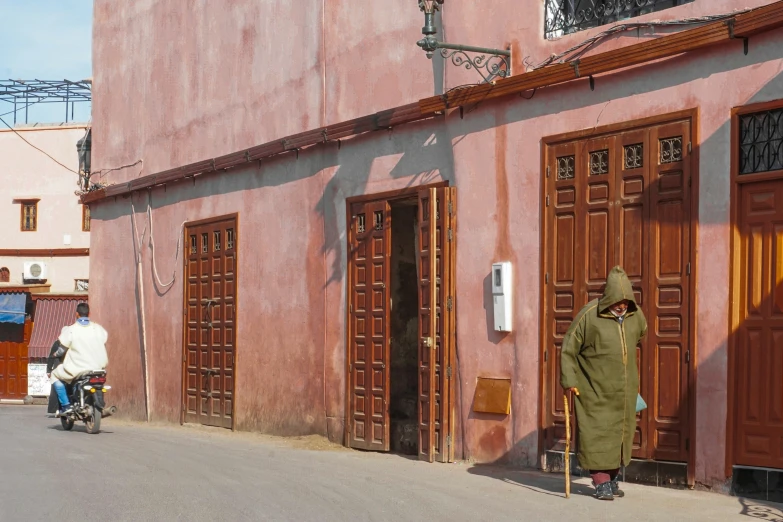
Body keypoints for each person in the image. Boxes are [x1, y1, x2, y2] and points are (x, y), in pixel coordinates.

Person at [560, 266, 647, 501]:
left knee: (620, 433)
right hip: (594, 389)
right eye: (617, 301)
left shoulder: (635, 315)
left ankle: (612, 477)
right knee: (597, 433)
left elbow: (641, 334)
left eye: (626, 301)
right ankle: (600, 481)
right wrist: (569, 380)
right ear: (608, 298)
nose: (622, 306)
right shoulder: (589, 316)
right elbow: (569, 349)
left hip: (624, 391)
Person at [51, 302, 109, 416]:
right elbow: (104, 341)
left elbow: (62, 350)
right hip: (98, 367)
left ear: (76, 314)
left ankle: (66, 405)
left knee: (54, 374)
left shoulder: (71, 329)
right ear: (89, 314)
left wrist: (55, 354)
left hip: (78, 367)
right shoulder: (98, 328)